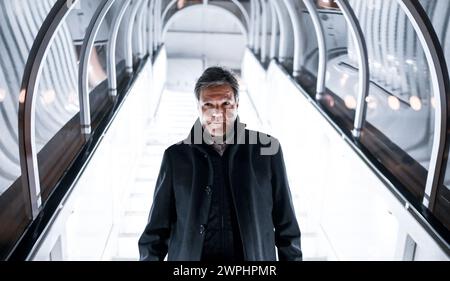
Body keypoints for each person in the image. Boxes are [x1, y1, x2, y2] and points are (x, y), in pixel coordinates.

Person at [138, 67, 302, 261]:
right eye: (208, 105)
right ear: (198, 108)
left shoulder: (267, 150)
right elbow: (155, 234)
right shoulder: (176, 157)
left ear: (237, 104)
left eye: (226, 103)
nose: (218, 113)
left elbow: (287, 227)